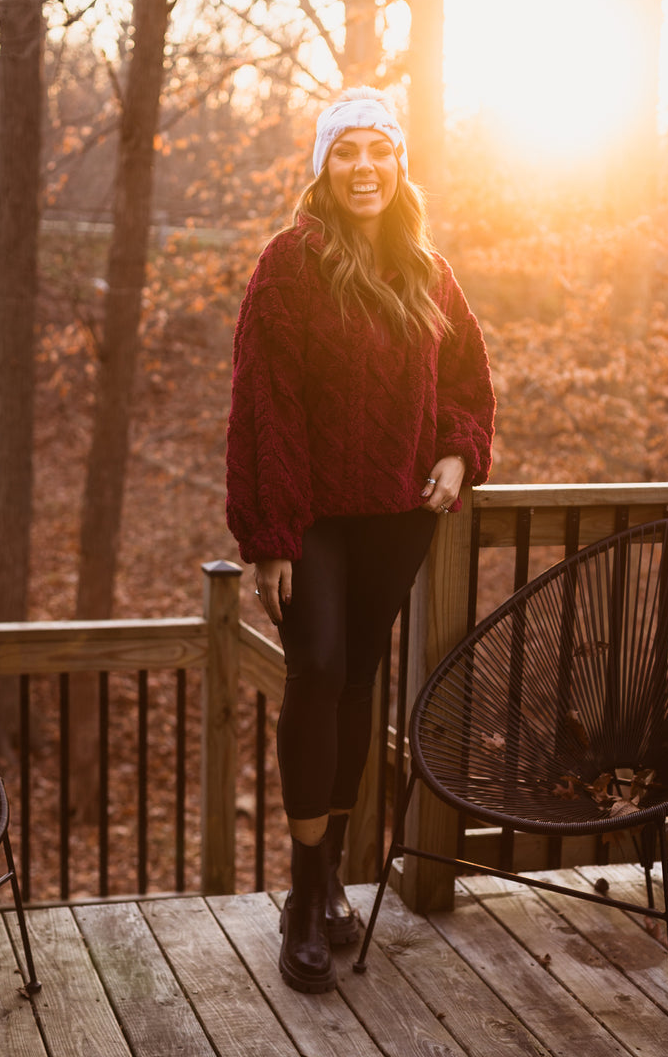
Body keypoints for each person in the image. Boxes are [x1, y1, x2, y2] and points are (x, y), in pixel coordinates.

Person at [225, 87, 495, 994]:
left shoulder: (425, 269)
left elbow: (466, 378)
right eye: (347, 151)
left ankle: (333, 875)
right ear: (323, 167)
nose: (365, 166)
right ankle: (305, 896)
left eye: (380, 149)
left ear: (400, 164)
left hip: (398, 515)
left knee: (359, 685)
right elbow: (265, 406)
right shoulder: (289, 264)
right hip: (314, 522)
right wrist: (272, 534)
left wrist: (459, 453)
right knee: (321, 670)